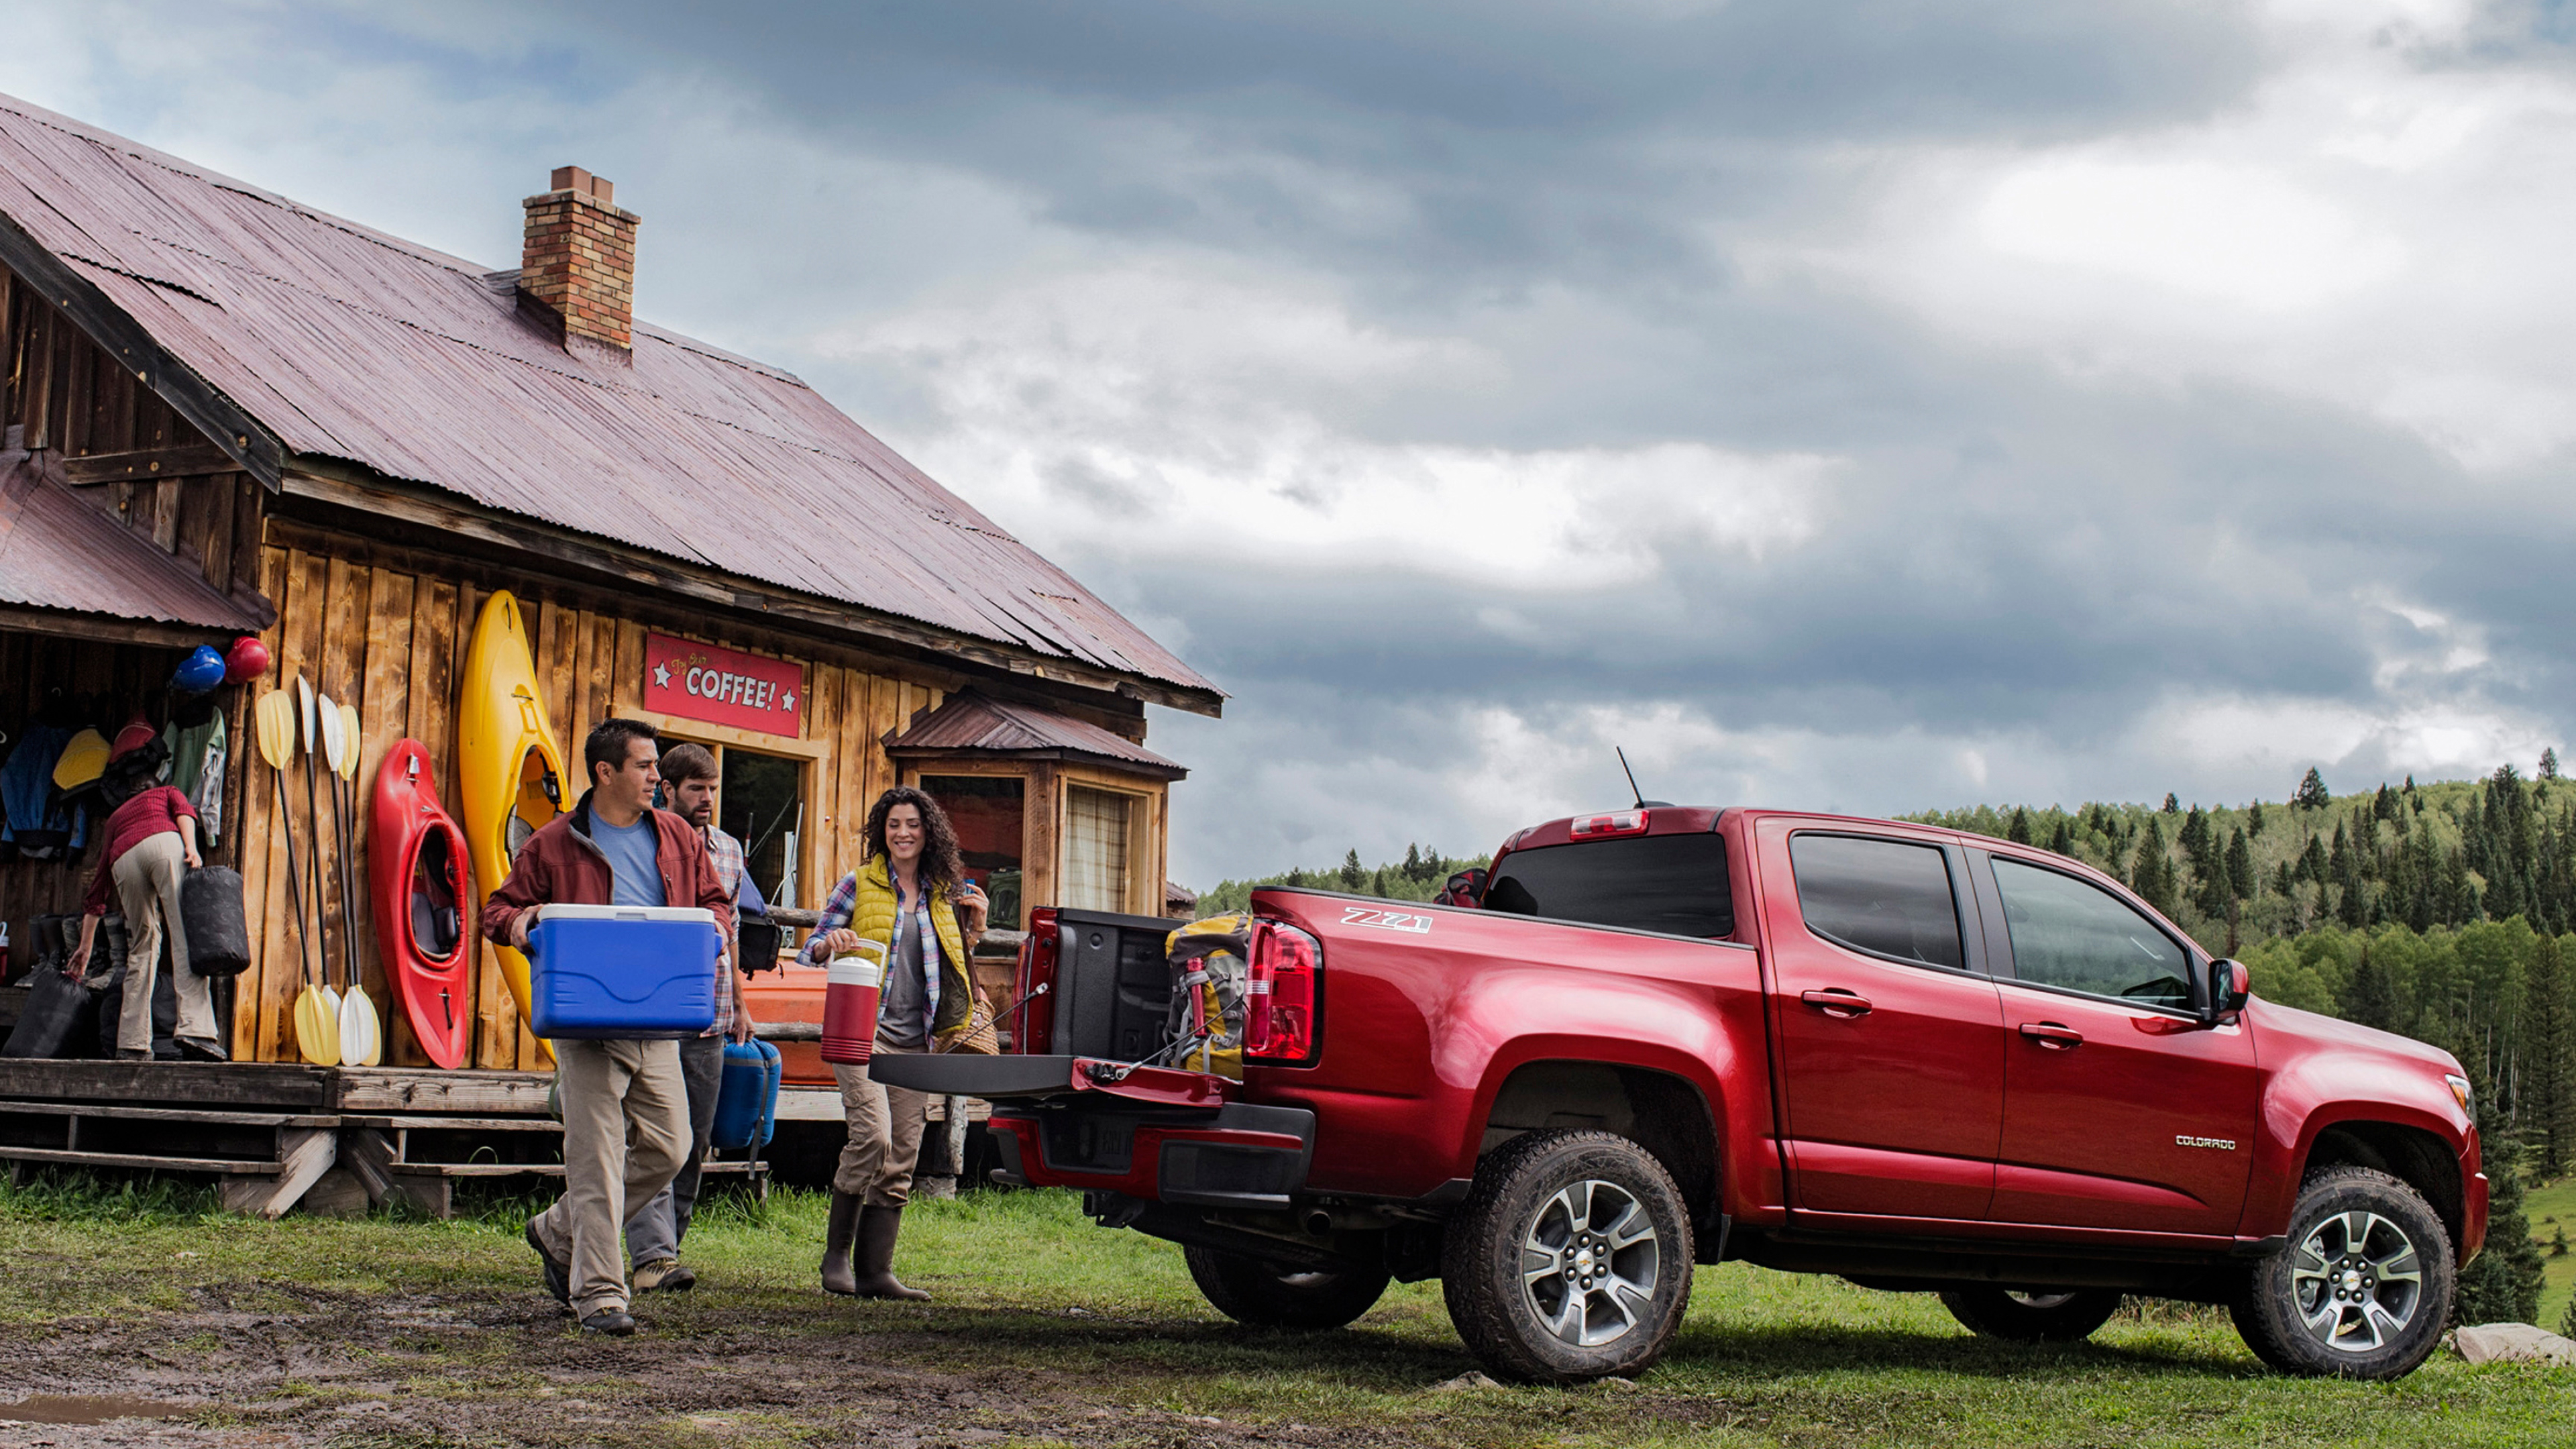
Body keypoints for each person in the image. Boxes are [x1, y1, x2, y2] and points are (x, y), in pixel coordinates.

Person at [480, 717, 733, 1336]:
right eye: (645, 767)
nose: (656, 777)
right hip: (586, 1017)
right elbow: (497, 910)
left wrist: (715, 934)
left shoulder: (675, 834)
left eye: (655, 767)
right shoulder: (554, 842)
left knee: (672, 1147)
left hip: (659, 1014)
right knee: (595, 1157)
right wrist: (527, 922)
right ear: (606, 772)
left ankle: (558, 1229)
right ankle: (599, 1293)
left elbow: (715, 901)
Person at [801, 785, 987, 1297]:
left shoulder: (942, 892)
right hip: (861, 1033)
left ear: (929, 833)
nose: (903, 834)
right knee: (874, 1137)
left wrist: (974, 931)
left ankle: (876, 1272)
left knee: (903, 1153)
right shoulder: (858, 884)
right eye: (893, 825)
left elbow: (951, 965)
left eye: (912, 825)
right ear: (882, 833)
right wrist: (827, 947)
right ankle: (835, 1257)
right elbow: (809, 948)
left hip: (918, 1041)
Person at [626, 743, 760, 1293]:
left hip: (711, 1011)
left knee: (694, 1140)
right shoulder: (643, 842)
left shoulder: (728, 850)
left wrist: (742, 1006)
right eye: (696, 790)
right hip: (654, 1013)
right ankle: (651, 1254)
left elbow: (727, 933)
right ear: (669, 789)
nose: (707, 799)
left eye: (713, 790)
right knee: (656, 1133)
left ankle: (668, 1250)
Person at [66, 722, 222, 1061]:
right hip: (165, 845)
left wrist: (84, 947)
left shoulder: (115, 819)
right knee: (184, 936)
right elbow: (185, 812)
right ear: (154, 786)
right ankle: (196, 1031)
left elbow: (98, 889)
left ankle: (132, 1043)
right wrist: (191, 848)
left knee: (142, 946)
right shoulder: (166, 792)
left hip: (125, 860)